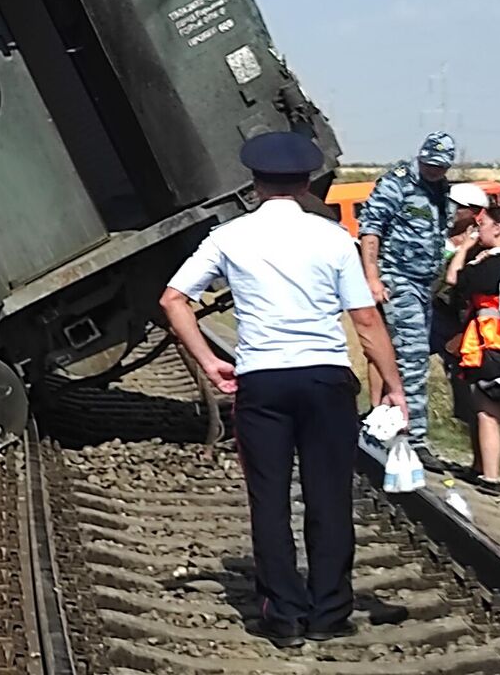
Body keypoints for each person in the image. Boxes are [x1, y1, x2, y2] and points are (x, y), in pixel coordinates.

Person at [161, 131, 406, 647]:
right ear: (305, 182)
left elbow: (173, 300)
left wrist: (210, 362)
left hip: (263, 383)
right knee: (329, 496)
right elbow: (364, 319)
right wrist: (392, 383)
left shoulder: (230, 237)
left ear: (254, 182)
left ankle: (284, 615)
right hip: (325, 380)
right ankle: (330, 611)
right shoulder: (333, 238)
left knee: (268, 498)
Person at [358, 131, 458, 469]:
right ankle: (414, 438)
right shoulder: (397, 183)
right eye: (429, 164)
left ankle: (382, 429)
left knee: (406, 358)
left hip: (422, 285)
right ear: (420, 157)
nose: (433, 171)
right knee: (412, 356)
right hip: (397, 280)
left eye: (440, 167)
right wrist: (372, 277)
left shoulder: (442, 190)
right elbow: (371, 229)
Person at [445, 206, 500, 500]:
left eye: (481, 225)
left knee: (487, 413)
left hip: (488, 345)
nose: (477, 230)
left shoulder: (491, 263)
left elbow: (453, 279)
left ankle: (492, 477)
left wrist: (467, 249)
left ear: (498, 228)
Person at [436, 182, 493, 479]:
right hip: (445, 322)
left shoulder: (482, 246)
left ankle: (484, 464)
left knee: (477, 393)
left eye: (454, 206)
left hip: (472, 326)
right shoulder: (439, 237)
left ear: (471, 213)